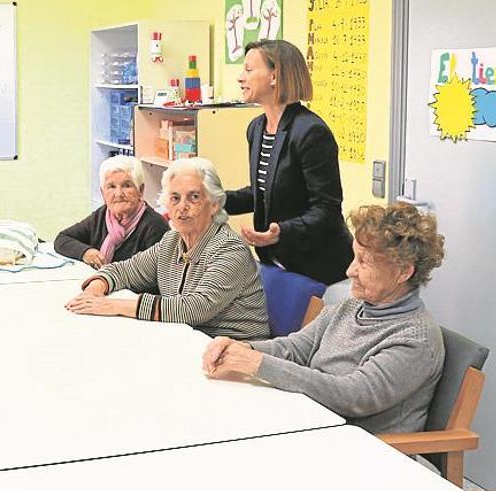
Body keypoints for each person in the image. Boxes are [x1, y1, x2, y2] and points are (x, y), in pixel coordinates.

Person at [202, 203, 446, 434]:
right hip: (312, 422)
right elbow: (294, 348)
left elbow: (353, 397)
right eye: (355, 257)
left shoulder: (416, 339)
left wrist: (258, 363)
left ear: (403, 271)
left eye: (364, 262)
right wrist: (244, 348)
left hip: (364, 451)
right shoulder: (351, 307)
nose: (350, 271)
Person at [66, 157, 269, 341]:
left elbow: (195, 308)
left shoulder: (229, 249)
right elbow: (124, 270)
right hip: (186, 342)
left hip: (235, 353)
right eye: (175, 198)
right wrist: (95, 290)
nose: (182, 207)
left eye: (194, 197)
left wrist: (116, 306)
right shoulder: (171, 242)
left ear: (214, 204)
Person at [226, 39, 353, 286]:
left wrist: (281, 232)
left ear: (274, 76)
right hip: (278, 260)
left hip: (318, 264)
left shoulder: (311, 132)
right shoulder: (257, 129)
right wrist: (214, 200)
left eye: (249, 70)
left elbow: (326, 209)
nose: (241, 77)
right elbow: (261, 192)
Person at [55, 154, 168, 268]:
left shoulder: (155, 225)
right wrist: (86, 253)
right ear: (103, 193)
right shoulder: (102, 215)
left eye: (126, 185)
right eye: (111, 187)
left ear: (140, 190)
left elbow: (153, 274)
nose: (119, 194)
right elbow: (62, 239)